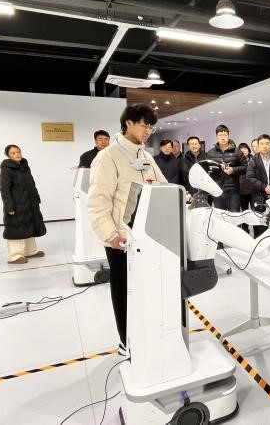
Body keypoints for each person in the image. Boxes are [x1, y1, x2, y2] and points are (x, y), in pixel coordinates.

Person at [88, 104, 166, 353]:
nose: (148, 131)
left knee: (145, 288)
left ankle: (145, 336)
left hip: (147, 236)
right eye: (145, 125)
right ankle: (126, 341)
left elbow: (162, 186)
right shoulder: (108, 157)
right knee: (123, 288)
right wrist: (110, 234)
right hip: (120, 237)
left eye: (151, 127)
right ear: (128, 123)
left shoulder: (146, 156)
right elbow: (98, 201)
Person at [0, 144, 46, 264]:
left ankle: (30, 251)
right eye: (13, 153)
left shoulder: (24, 166)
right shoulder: (7, 169)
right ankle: (15, 256)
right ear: (8, 155)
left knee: (30, 225)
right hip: (16, 204)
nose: (17, 154)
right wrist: (9, 206)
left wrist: (36, 198)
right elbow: (5, 189)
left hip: (29, 203)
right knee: (16, 228)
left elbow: (31, 184)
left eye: (18, 151)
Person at [206, 125, 246, 212]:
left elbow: (245, 167)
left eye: (225, 135)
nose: (223, 137)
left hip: (233, 190)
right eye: (220, 135)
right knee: (220, 217)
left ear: (228, 136)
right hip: (217, 190)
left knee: (234, 216)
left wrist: (233, 170)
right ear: (217, 136)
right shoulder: (210, 153)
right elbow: (207, 170)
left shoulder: (237, 152)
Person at [238, 142, 253, 234]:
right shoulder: (237, 161)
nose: (243, 150)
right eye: (241, 149)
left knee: (255, 211)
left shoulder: (254, 159)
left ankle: (257, 229)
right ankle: (245, 229)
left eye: (245, 148)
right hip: (241, 190)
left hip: (253, 190)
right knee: (244, 211)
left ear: (248, 150)